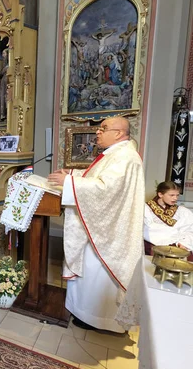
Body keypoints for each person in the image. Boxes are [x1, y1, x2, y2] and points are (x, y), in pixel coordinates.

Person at [47, 116, 144, 332]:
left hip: (108, 232)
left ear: (119, 133)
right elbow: (96, 178)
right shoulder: (115, 154)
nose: (97, 132)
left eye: (104, 128)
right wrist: (71, 174)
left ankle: (100, 320)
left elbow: (106, 190)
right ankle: (84, 313)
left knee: (97, 272)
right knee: (90, 273)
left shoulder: (125, 157)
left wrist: (70, 183)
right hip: (100, 226)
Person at [144, 181, 193, 258]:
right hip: (153, 243)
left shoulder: (183, 211)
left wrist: (183, 242)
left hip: (178, 244)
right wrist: (174, 232)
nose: (175, 198)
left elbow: (189, 230)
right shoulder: (146, 209)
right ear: (160, 194)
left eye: (177, 195)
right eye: (171, 195)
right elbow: (148, 230)